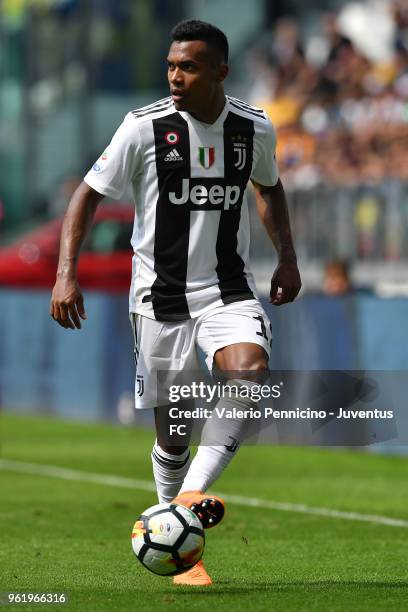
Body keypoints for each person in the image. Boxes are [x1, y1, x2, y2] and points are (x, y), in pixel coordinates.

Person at [50, 20, 301, 586]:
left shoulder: (253, 129)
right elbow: (87, 194)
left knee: (250, 374)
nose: (175, 76)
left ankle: (184, 509)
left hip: (227, 291)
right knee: (174, 435)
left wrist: (287, 255)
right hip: (159, 302)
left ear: (220, 71)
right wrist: (66, 273)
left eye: (187, 66)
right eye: (170, 66)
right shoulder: (143, 128)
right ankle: (183, 543)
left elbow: (269, 187)